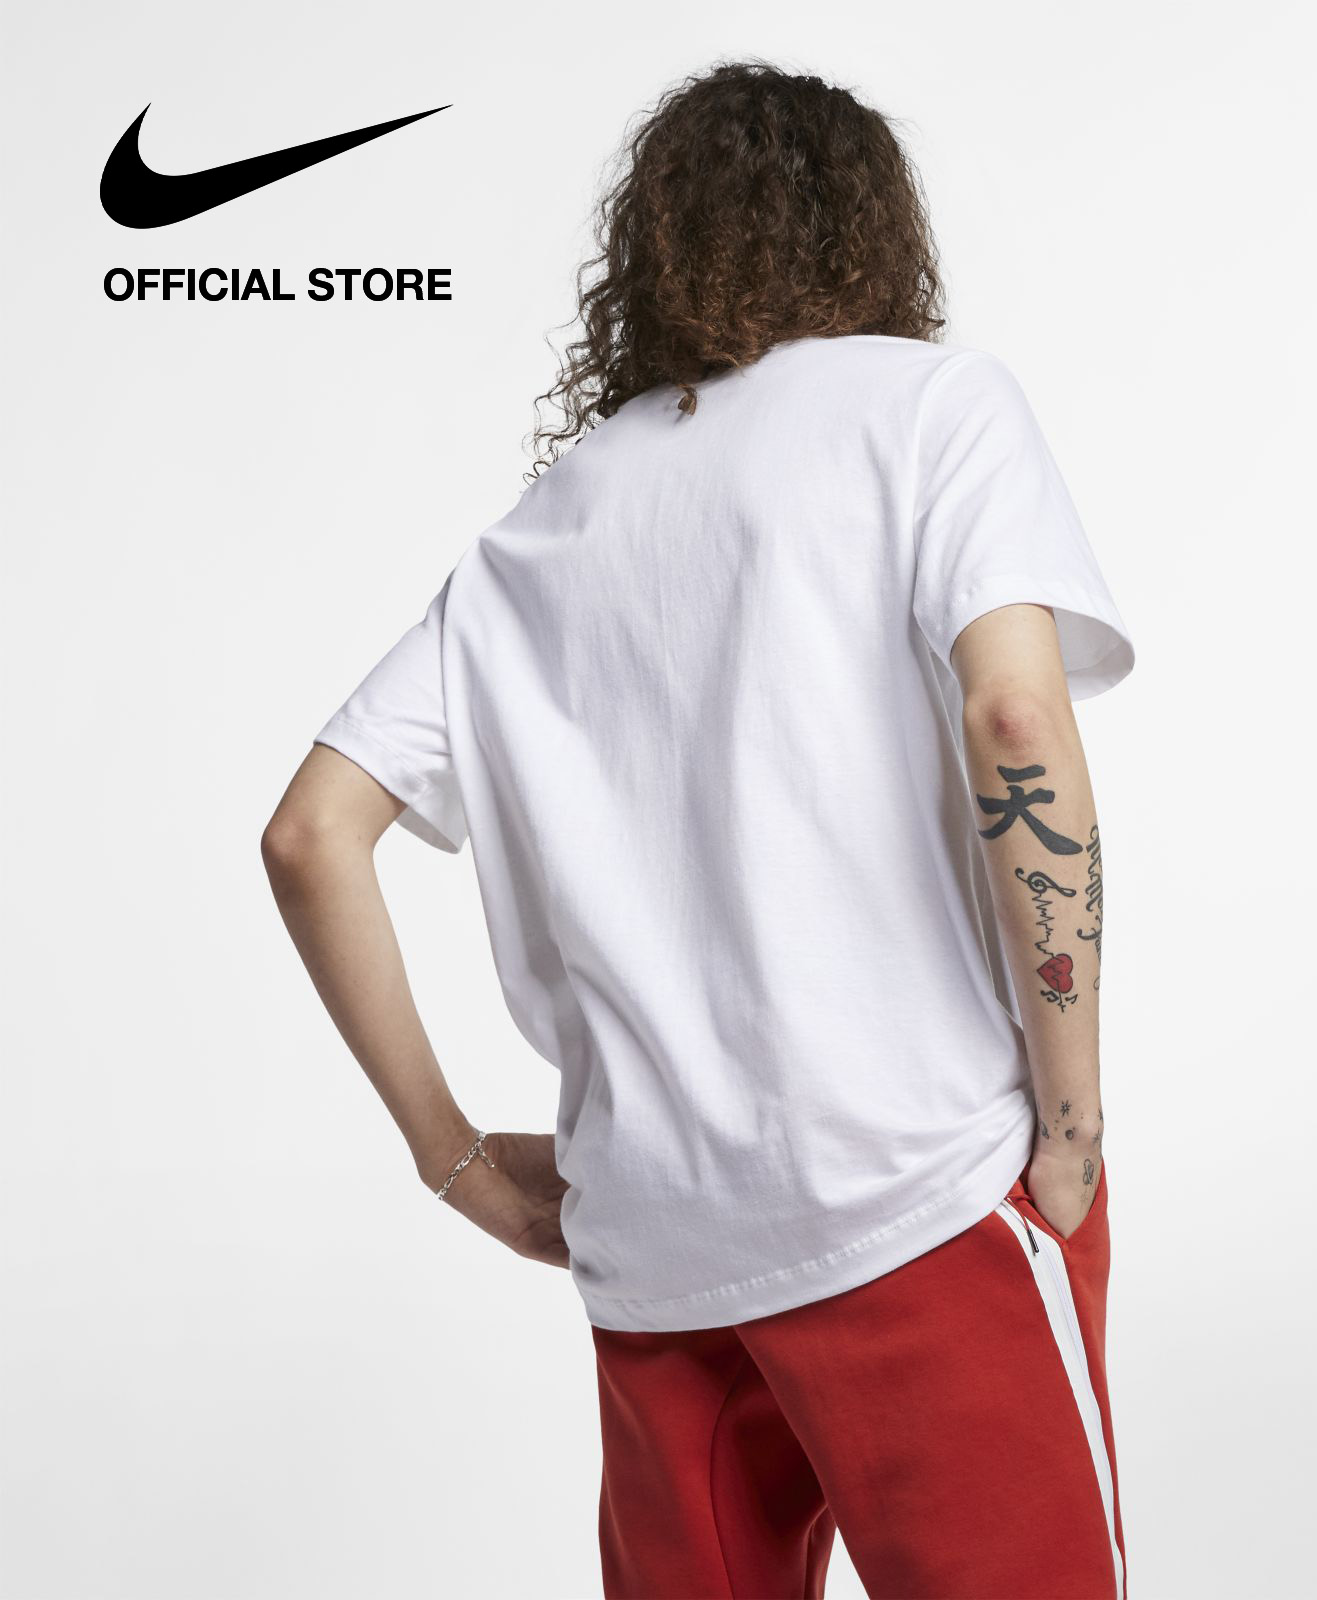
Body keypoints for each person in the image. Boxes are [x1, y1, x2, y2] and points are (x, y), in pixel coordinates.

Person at [263, 59, 1135, 1600]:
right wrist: (1066, 1128)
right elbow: (1017, 717)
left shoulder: (541, 534)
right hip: (920, 1193)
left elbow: (311, 834)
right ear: (876, 231)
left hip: (657, 1254)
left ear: (654, 254)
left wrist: (458, 1163)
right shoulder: (929, 410)